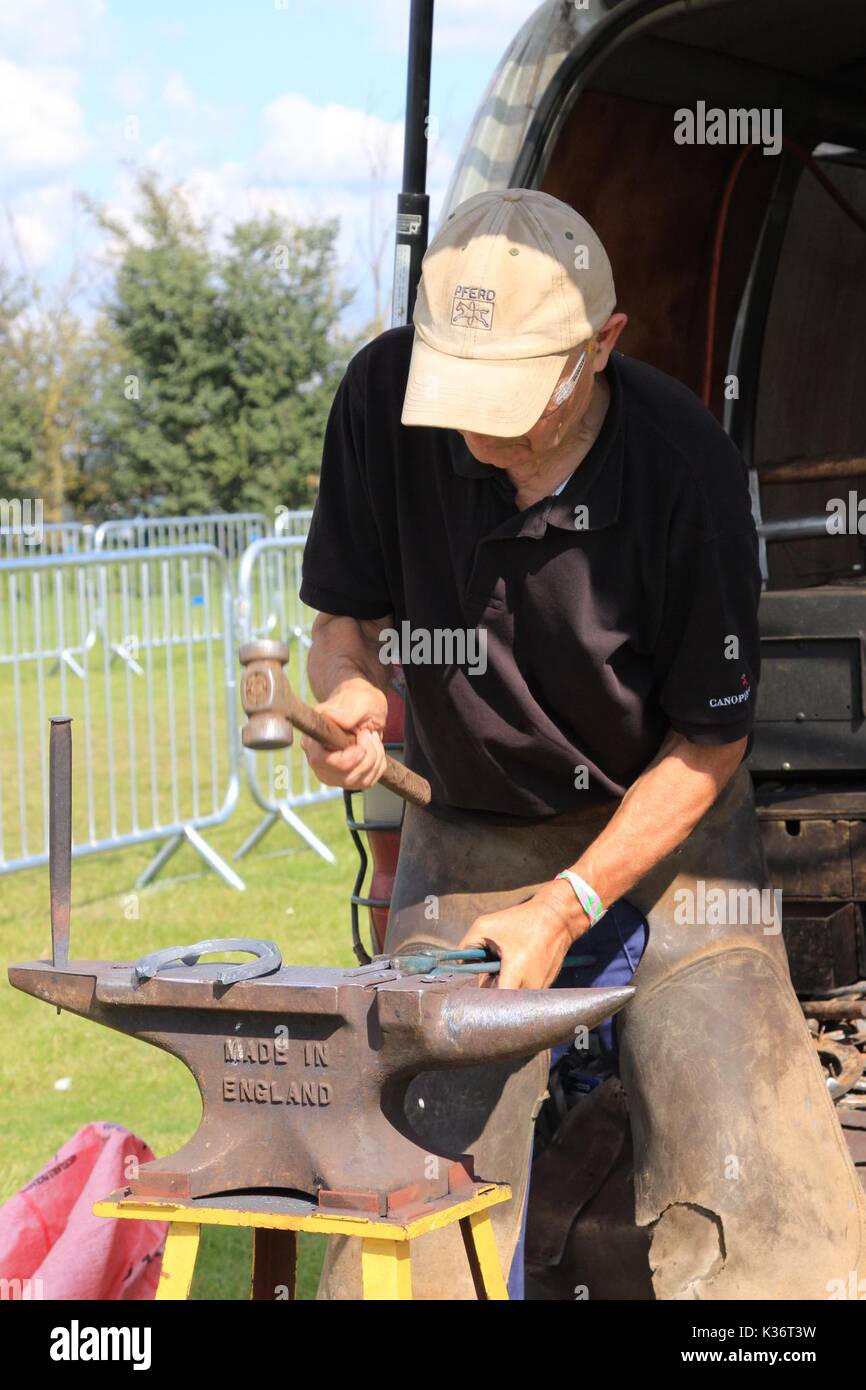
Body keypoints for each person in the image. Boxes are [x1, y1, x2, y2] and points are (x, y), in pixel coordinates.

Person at [299, 189, 866, 1300]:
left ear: (598, 349)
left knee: (767, 1221)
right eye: (456, 387)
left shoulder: (682, 469)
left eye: (508, 397)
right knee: (403, 1231)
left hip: (670, 842)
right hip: (465, 839)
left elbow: (708, 743)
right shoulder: (379, 396)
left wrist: (566, 903)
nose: (475, 428)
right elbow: (340, 625)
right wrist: (351, 689)